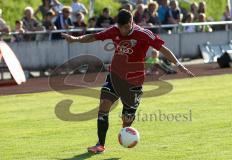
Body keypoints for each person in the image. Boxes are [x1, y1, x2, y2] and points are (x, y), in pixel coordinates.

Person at [61, 9, 195, 154]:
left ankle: (125, 132)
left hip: (134, 82)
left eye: (124, 28)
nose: (122, 31)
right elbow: (94, 36)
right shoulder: (115, 30)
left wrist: (179, 65)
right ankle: (100, 144)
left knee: (127, 121)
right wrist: (75, 40)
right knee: (103, 107)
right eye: (120, 28)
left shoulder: (144, 34)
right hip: (114, 76)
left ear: (131, 23)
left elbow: (163, 49)